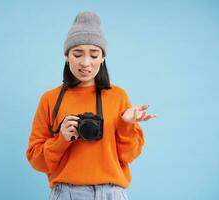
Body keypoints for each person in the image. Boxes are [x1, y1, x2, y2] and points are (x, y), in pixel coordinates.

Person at [26, 11, 157, 200]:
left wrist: (125, 125)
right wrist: (61, 139)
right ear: (66, 56)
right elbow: (36, 161)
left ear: (103, 57)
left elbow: (130, 155)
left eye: (94, 55)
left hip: (112, 193)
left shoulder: (118, 96)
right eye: (77, 54)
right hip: (66, 193)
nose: (86, 63)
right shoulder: (50, 99)